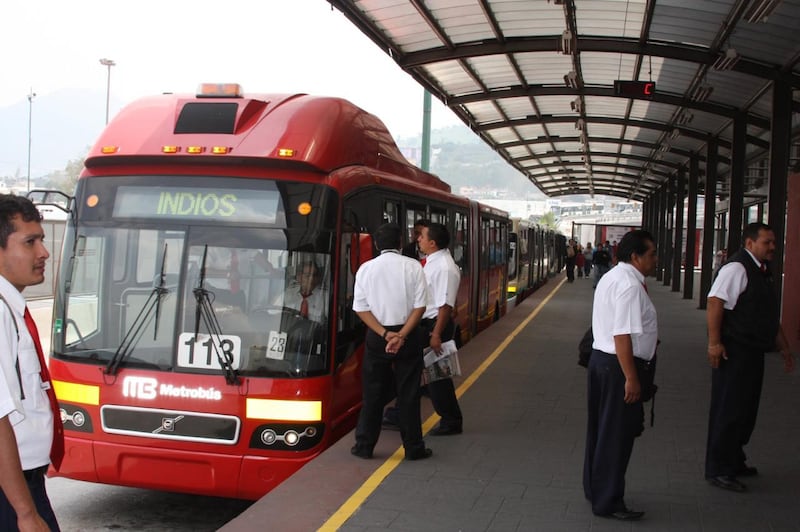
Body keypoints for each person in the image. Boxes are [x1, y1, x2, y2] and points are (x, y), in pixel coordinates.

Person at [704, 223, 795, 492]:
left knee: (745, 410)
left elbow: (767, 315)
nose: (772, 247)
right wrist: (714, 343)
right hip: (735, 351)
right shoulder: (737, 268)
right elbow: (715, 302)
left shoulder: (761, 271)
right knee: (728, 409)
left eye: (774, 242)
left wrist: (784, 347)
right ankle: (718, 468)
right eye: (767, 242)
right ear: (750, 243)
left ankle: (734, 459)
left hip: (753, 351)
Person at [583, 230, 658, 521]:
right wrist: (632, 378)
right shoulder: (628, 285)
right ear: (636, 257)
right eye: (651, 254)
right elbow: (622, 335)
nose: (655, 259)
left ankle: (595, 487)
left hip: (602, 363)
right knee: (616, 436)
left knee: (600, 432)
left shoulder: (612, 277)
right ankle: (609, 500)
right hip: (618, 366)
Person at [0, 194, 63, 531]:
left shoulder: (11, 307)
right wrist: (25, 512)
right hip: (11, 489)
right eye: (30, 242)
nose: (44, 252)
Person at [351, 223, 433, 461]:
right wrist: (402, 335)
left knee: (373, 394)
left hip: (378, 337)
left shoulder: (365, 269)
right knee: (408, 393)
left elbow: (361, 309)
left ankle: (364, 446)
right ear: (400, 243)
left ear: (376, 244)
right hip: (408, 336)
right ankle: (414, 448)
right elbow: (420, 307)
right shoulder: (414, 267)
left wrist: (385, 334)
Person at [417, 222, 463, 436]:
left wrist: (436, 334)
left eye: (422, 236)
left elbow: (445, 305)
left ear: (432, 243)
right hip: (429, 324)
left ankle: (451, 420)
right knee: (432, 377)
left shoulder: (444, 267)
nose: (419, 239)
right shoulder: (433, 262)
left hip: (436, 325)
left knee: (439, 378)